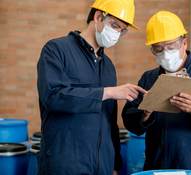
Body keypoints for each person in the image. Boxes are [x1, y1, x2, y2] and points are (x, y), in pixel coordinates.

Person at [36, 0, 146, 174]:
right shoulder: (57, 50)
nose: (117, 34)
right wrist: (108, 92)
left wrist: (115, 163)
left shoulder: (108, 65)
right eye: (115, 26)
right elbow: (54, 97)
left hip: (102, 166)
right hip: (65, 164)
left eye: (123, 30)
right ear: (98, 17)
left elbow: (110, 121)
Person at [122, 11, 191, 175]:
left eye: (171, 46)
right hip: (156, 167)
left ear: (184, 43)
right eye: (158, 49)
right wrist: (144, 113)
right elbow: (130, 122)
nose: (166, 53)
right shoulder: (148, 78)